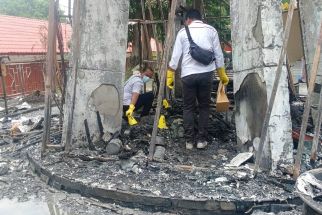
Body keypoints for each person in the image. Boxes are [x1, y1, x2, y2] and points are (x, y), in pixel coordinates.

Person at [167, 9, 229, 150]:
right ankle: (201, 140)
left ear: (188, 19)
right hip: (206, 74)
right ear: (200, 19)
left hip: (188, 75)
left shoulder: (183, 32)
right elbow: (218, 55)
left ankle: (189, 141)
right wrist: (222, 75)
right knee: (204, 107)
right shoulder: (211, 30)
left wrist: (170, 74)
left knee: (188, 107)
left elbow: (175, 56)